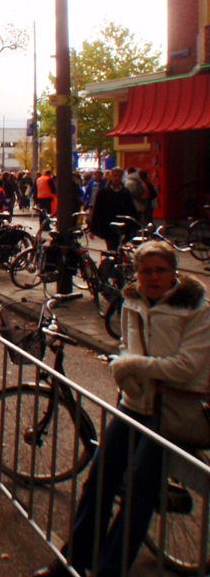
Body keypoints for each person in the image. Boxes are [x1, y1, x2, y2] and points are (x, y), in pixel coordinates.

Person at [32, 241, 210, 577]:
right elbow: (127, 347)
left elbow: (187, 367)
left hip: (172, 410)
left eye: (161, 270)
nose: (153, 277)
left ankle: (110, 570)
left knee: (139, 496)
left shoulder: (198, 308)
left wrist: (131, 366)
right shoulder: (131, 301)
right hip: (133, 404)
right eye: (146, 271)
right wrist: (126, 369)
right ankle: (72, 560)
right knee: (98, 482)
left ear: (175, 272)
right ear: (137, 274)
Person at [89, 167, 139, 251]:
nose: (117, 178)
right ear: (111, 176)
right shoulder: (103, 192)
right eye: (115, 175)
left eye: (119, 176)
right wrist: (92, 229)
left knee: (121, 248)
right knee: (112, 248)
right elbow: (97, 210)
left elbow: (131, 209)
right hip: (108, 225)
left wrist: (136, 225)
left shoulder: (125, 192)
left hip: (123, 225)